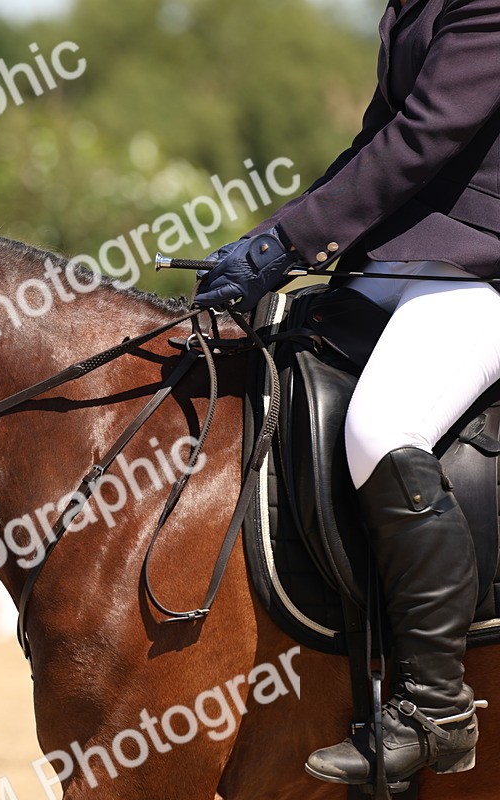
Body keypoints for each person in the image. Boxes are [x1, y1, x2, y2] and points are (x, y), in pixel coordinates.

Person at [194, 0, 500, 787]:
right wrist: (277, 237)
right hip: (402, 266)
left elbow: (425, 134)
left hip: (486, 271)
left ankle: (437, 710)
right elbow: (373, 143)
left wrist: (287, 242)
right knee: (266, 359)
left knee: (381, 425)